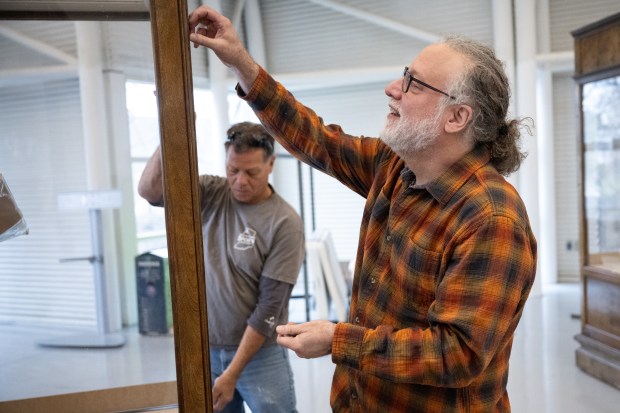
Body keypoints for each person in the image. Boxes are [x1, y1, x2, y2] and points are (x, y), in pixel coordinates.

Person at [188, 6, 537, 413]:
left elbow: (457, 354)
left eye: (414, 84)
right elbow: (316, 139)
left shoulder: (491, 220)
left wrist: (338, 339)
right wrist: (240, 62)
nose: (393, 88)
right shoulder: (395, 167)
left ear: (457, 117)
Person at [138, 122, 305, 413]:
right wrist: (171, 127)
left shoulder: (284, 222)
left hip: (260, 355)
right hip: (206, 350)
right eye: (233, 170)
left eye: (251, 172)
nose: (240, 181)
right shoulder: (212, 192)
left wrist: (231, 374)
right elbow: (151, 192)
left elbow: (269, 309)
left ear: (271, 165)